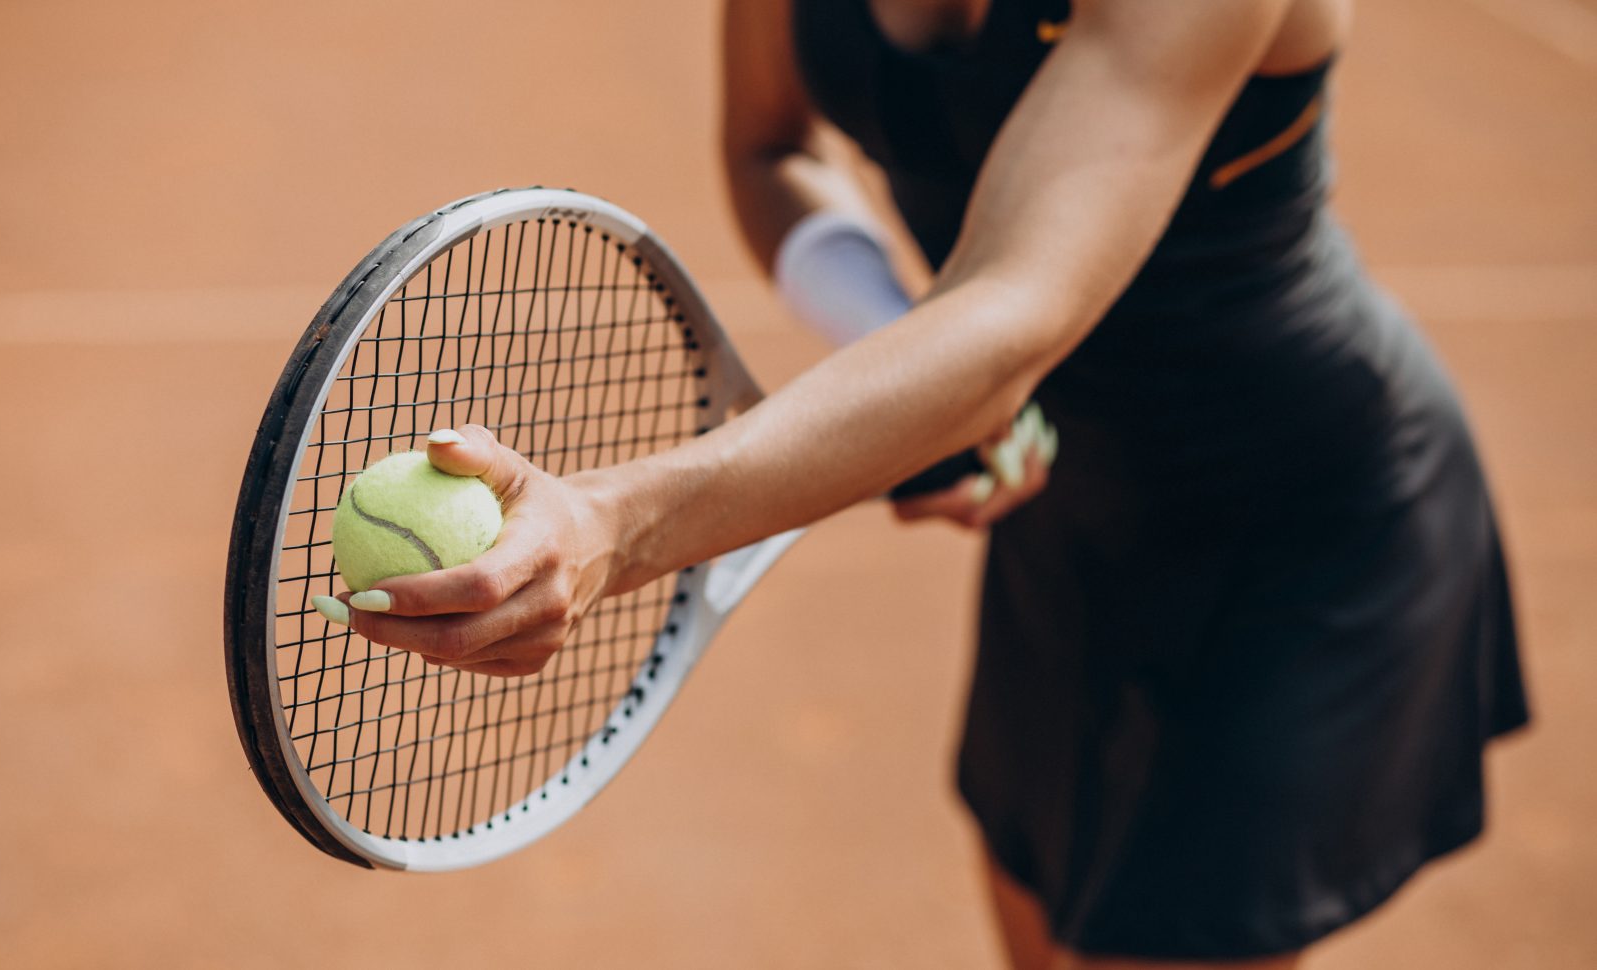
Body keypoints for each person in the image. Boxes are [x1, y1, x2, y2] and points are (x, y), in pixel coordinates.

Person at [319, 1, 1529, 965]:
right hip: (1065, 529)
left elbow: (1014, 309)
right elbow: (772, 142)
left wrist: (615, 522)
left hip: (1293, 527)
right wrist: (895, 344)